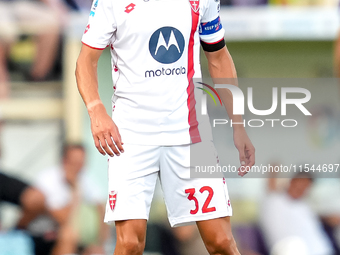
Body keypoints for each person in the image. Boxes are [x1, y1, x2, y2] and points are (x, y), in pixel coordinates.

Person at [76, 0, 255, 254]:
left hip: (192, 136)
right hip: (131, 138)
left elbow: (218, 57)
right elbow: (85, 60)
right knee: (129, 245)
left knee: (222, 242)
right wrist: (96, 110)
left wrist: (238, 123)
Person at [28, 144, 108, 255]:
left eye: (81, 163)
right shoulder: (48, 179)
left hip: (74, 235)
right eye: (75, 162)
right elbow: (62, 218)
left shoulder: (86, 179)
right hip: (42, 235)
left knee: (96, 251)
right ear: (64, 161)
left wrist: (100, 242)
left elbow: (102, 209)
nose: (79, 167)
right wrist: (74, 190)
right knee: (68, 235)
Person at [259, 171, 334, 255]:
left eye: (306, 186)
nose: (302, 188)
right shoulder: (274, 201)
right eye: (300, 183)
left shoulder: (304, 206)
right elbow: (271, 185)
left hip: (324, 250)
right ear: (292, 181)